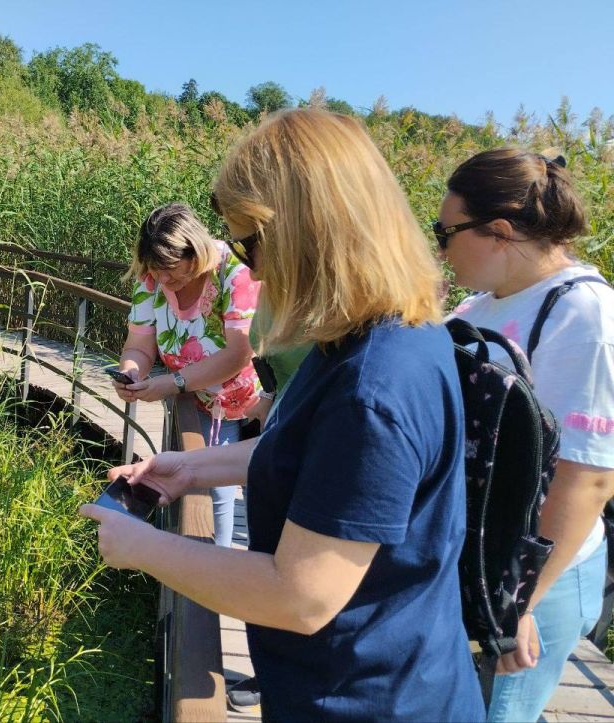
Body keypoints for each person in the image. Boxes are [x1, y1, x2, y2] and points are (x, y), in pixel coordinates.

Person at [83, 109, 485, 721]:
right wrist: (190, 470)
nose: (254, 268)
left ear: (306, 231)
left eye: (251, 242)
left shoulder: (372, 387)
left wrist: (141, 548)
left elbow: (301, 595)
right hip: (388, 674)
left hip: (371, 698)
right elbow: (317, 460)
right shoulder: (382, 333)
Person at [439, 148, 614, 722]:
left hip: (536, 578)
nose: (440, 246)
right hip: (478, 563)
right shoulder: (480, 304)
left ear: (499, 232)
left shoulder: (584, 316)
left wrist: (516, 603)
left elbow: (587, 481)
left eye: (446, 232)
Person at [112, 202, 261, 547]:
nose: (164, 280)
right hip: (206, 402)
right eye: (156, 271)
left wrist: (172, 382)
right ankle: (217, 580)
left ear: (197, 252)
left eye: (174, 272)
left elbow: (240, 350)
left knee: (264, 495)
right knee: (213, 494)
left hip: (259, 400)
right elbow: (139, 345)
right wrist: (131, 373)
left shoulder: (234, 271)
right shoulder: (150, 279)